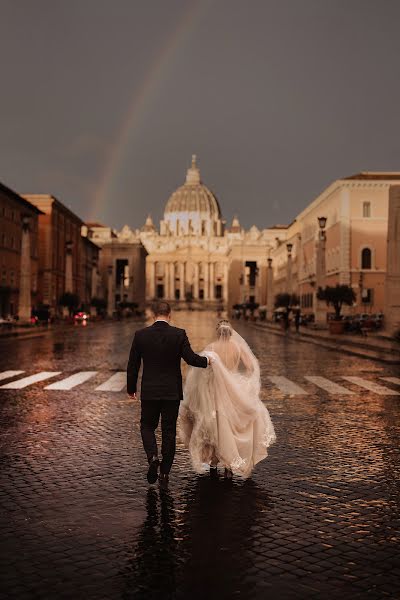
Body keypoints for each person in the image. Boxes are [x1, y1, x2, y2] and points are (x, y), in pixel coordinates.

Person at [127, 301, 210, 488]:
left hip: (150, 390)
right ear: (169, 315)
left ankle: (153, 456)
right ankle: (164, 473)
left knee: (147, 426)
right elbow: (191, 359)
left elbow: (133, 365)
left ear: (152, 314)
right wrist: (208, 361)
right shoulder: (178, 334)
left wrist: (131, 388)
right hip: (172, 392)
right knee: (169, 431)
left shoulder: (141, 335)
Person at [179, 320, 276, 479]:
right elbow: (251, 367)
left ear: (218, 333)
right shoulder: (237, 347)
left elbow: (201, 369)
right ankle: (229, 464)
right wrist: (242, 380)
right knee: (230, 427)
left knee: (216, 425)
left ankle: (213, 463)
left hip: (215, 392)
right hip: (233, 391)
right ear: (231, 333)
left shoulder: (211, 348)